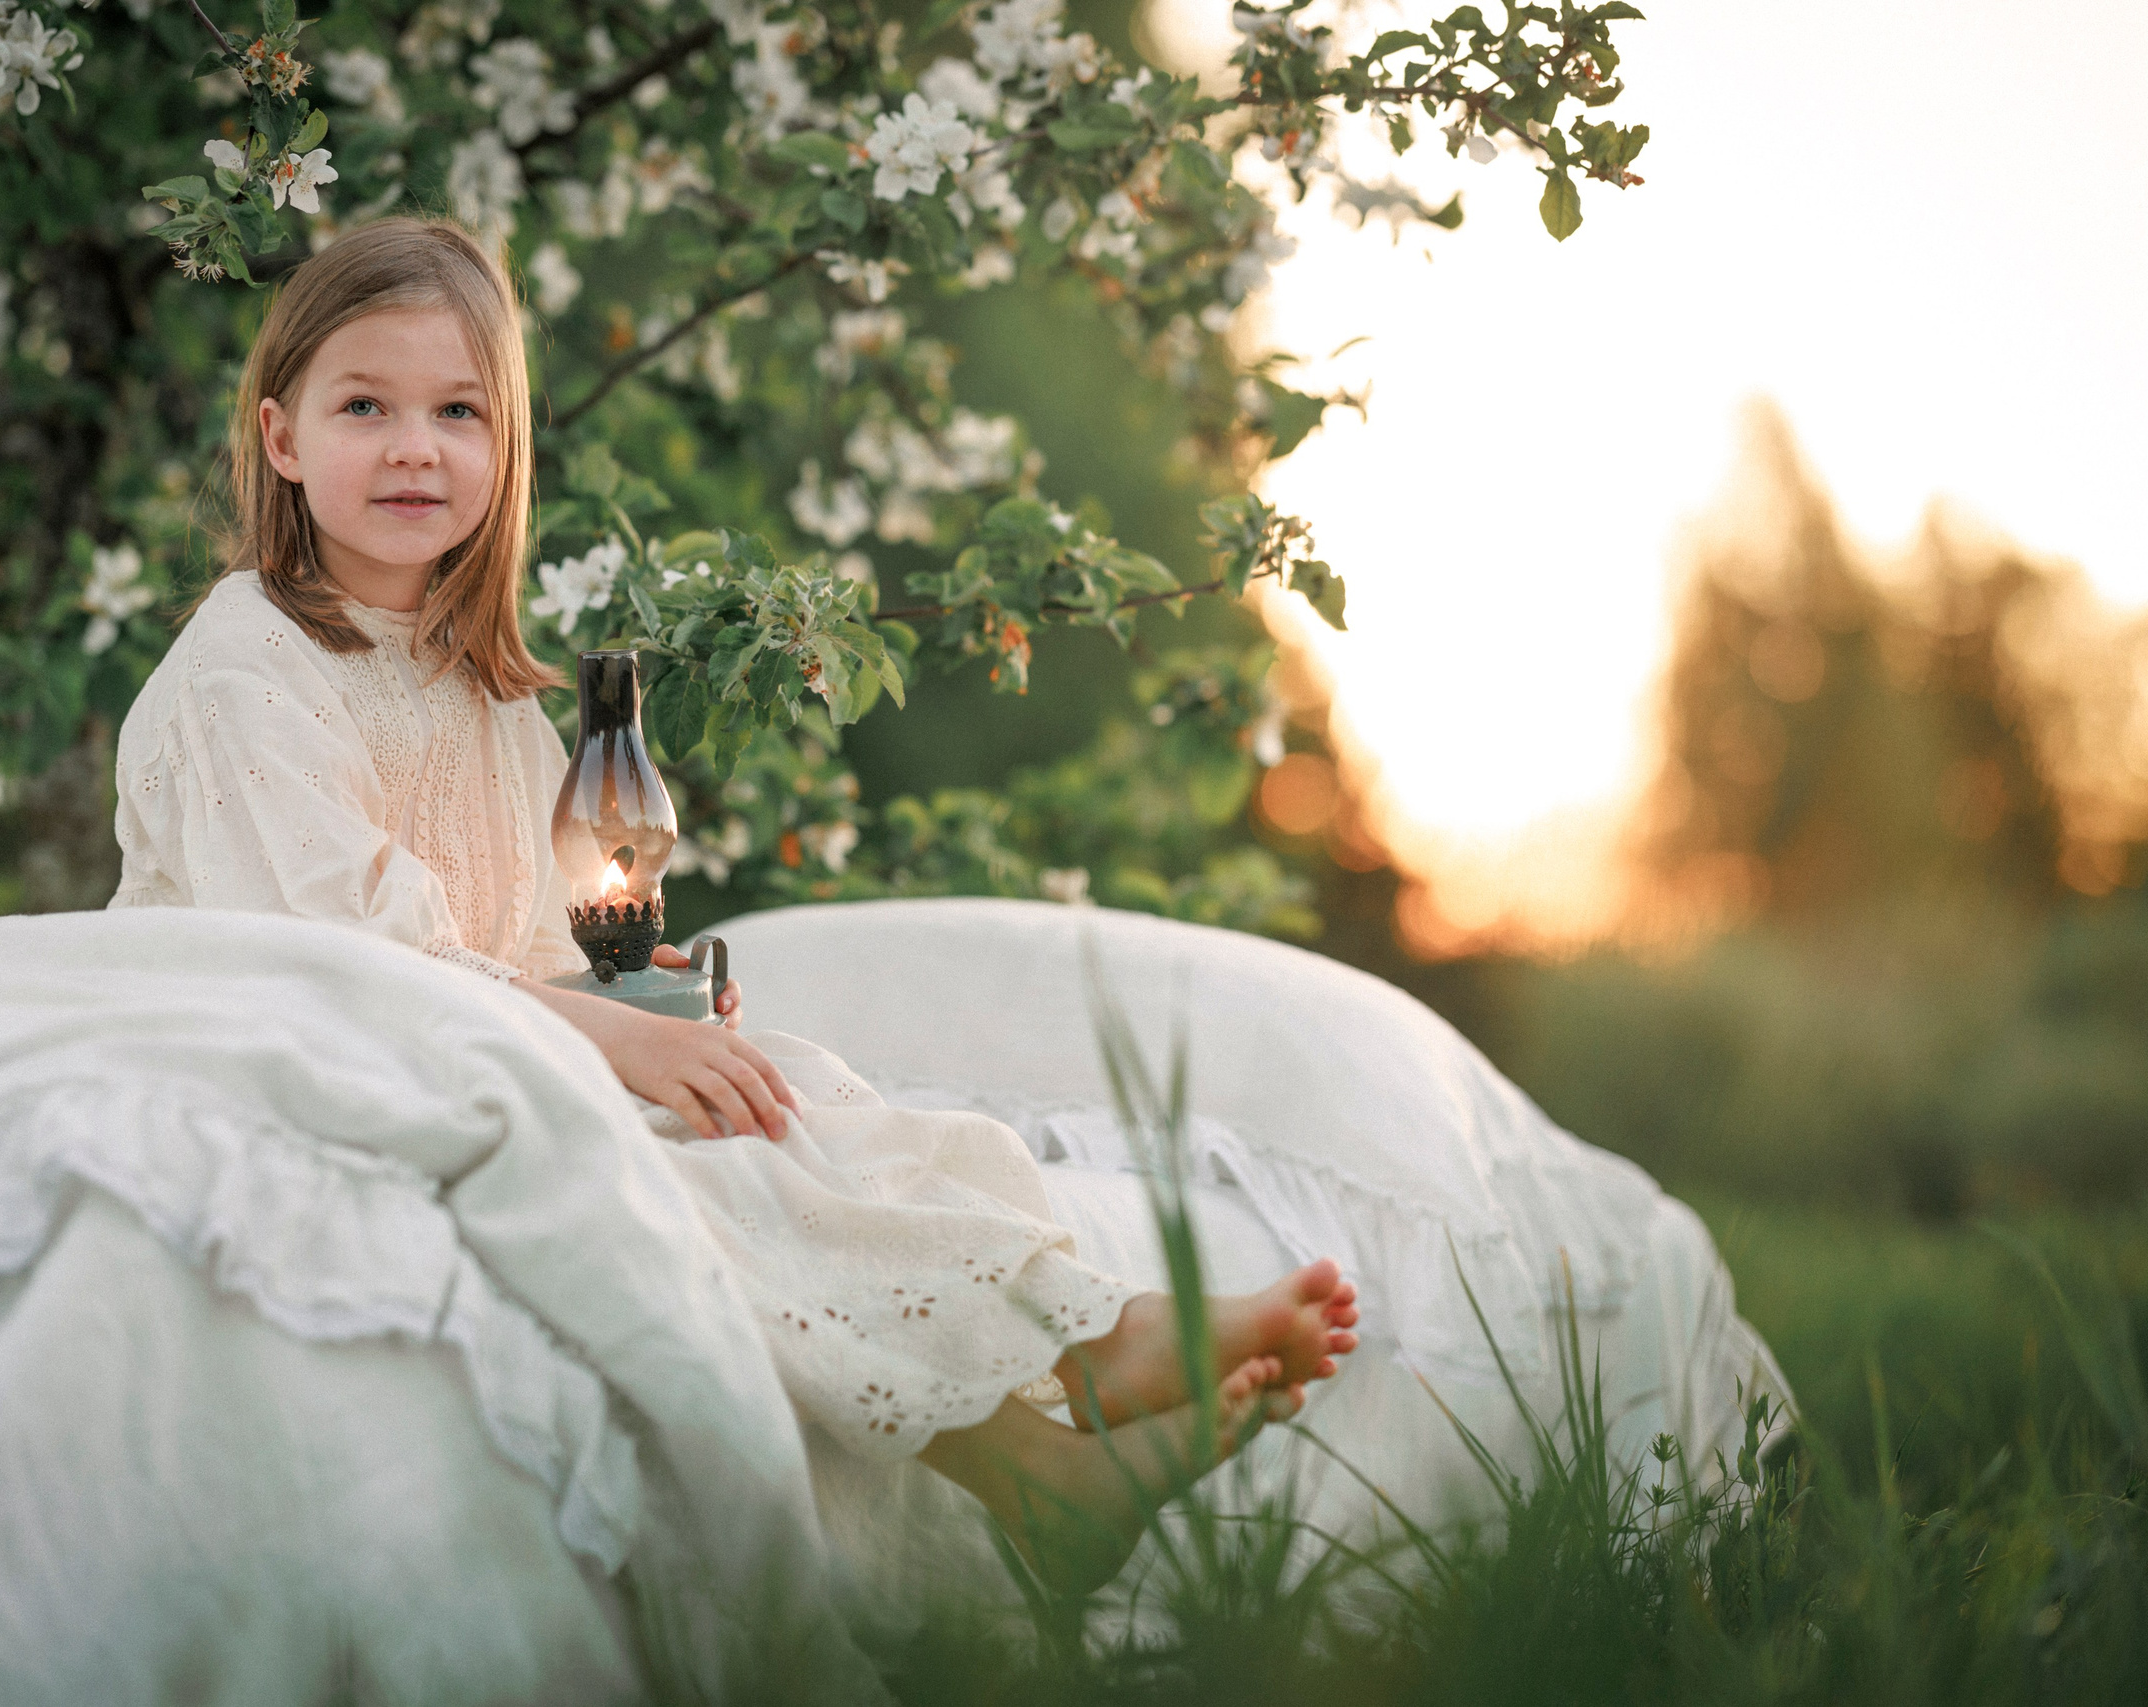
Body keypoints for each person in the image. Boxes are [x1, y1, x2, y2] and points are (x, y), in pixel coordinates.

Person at [106, 215, 1361, 1587]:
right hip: (294, 1067)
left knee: (780, 1092)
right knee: (647, 1173)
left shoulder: (483, 693)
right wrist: (611, 1039)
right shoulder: (246, 667)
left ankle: (1065, 1399)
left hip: (463, 1051)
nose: (417, 447)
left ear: (505, 448)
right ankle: (1078, 1398)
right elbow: (343, 959)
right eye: (366, 407)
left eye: (459, 411)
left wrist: (642, 1006)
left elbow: (515, 949)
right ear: (282, 438)